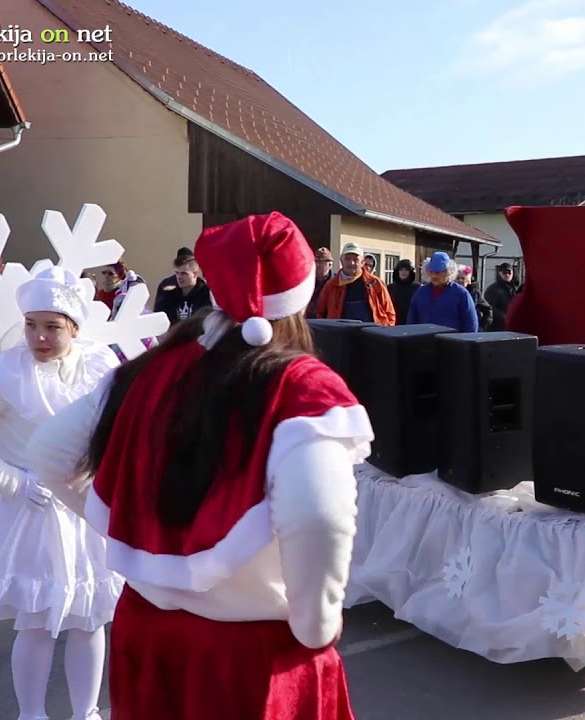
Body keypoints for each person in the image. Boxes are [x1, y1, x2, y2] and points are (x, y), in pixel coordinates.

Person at [30, 212, 371, 720]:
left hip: (147, 632)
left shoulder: (149, 367)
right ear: (302, 293)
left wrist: (130, 534)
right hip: (252, 655)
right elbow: (320, 516)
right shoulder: (302, 390)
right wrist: (316, 625)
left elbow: (49, 454)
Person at [0, 266, 121, 720]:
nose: (39, 337)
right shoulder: (9, 371)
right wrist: (7, 479)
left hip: (86, 508)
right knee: (36, 621)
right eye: (31, 324)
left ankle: (86, 712)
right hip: (32, 511)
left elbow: (122, 428)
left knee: (88, 617)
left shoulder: (100, 365)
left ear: (74, 327)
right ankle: (31, 714)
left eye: (52, 327)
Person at [315, 242, 395, 325]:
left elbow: (390, 314)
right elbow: (320, 313)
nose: (351, 263)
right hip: (341, 335)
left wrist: (383, 333)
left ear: (362, 262)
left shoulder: (375, 283)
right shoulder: (331, 285)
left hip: (372, 335)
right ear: (341, 260)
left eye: (355, 259)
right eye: (347, 259)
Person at [407, 252, 478, 333]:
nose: (434, 276)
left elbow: (471, 324)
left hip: (452, 342)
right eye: (431, 272)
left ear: (448, 272)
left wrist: (466, 344)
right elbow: (411, 321)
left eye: (437, 272)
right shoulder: (421, 292)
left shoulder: (461, 294)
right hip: (424, 342)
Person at [154, 255, 212, 326]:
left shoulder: (206, 294)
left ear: (195, 274)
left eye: (184, 273)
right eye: (177, 273)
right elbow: (158, 319)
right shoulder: (169, 294)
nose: (179, 277)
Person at [483, 262, 519, 331]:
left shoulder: (515, 288)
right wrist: (504, 317)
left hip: (512, 325)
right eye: (504, 272)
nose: (507, 275)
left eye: (509, 272)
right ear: (500, 273)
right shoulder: (493, 289)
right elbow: (489, 306)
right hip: (497, 327)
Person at [458, 266, 493, 330]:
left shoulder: (474, 293)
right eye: (458, 278)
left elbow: (488, 310)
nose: (460, 281)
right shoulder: (451, 291)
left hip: (471, 330)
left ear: (468, 280)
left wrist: (482, 328)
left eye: (463, 278)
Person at [387, 259, 419, 324]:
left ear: (411, 272)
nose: (403, 272)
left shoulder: (418, 288)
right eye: (401, 270)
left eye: (406, 270)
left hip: (412, 323)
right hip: (394, 323)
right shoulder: (390, 288)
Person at [308, 247, 334, 317]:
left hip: (327, 323)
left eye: (321, 262)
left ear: (330, 265)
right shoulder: (308, 282)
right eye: (315, 262)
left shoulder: (336, 283)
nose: (317, 265)